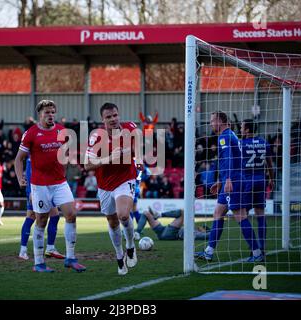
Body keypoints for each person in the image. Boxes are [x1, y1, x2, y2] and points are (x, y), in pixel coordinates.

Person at [15, 99, 86, 273]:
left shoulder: (62, 131)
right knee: (41, 221)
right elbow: (19, 159)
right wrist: (20, 178)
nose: (51, 115)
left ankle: (70, 258)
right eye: (47, 112)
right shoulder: (31, 133)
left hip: (60, 183)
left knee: (71, 214)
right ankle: (38, 263)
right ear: (40, 114)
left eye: (53, 112)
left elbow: (66, 153)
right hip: (39, 185)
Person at [195, 111, 263, 262]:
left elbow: (230, 158)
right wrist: (221, 180)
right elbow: (229, 160)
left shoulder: (225, 136)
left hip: (234, 181)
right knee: (218, 213)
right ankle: (209, 252)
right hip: (231, 179)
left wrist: (228, 179)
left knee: (240, 216)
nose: (211, 123)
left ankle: (257, 253)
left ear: (220, 121)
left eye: (213, 121)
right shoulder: (231, 134)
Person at [85, 102, 141, 275]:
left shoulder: (129, 127)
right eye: (109, 117)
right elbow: (87, 165)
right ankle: (119, 254)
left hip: (125, 179)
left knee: (123, 215)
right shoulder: (96, 137)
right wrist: (109, 158)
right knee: (112, 221)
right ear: (102, 120)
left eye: (115, 115)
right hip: (105, 185)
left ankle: (131, 246)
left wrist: (137, 156)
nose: (113, 119)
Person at [18, 156, 65, 261]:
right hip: (35, 189)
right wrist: (30, 191)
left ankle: (50, 248)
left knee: (55, 216)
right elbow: (29, 172)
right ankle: (23, 250)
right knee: (31, 216)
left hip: (47, 187)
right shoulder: (33, 153)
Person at [240, 119, 275, 256]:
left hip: (247, 181)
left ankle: (253, 248)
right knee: (261, 214)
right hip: (261, 180)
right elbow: (270, 164)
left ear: (248, 130)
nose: (241, 129)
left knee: (242, 214)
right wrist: (271, 178)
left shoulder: (241, 144)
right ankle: (261, 246)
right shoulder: (264, 142)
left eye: (242, 127)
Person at [136, 207, 210, 241]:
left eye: (203, 228)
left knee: (182, 212)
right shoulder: (194, 229)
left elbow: (208, 236)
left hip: (171, 234)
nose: (200, 227)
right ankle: (137, 234)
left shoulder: (197, 234)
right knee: (146, 213)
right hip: (164, 230)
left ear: (204, 231)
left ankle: (159, 215)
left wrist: (213, 232)